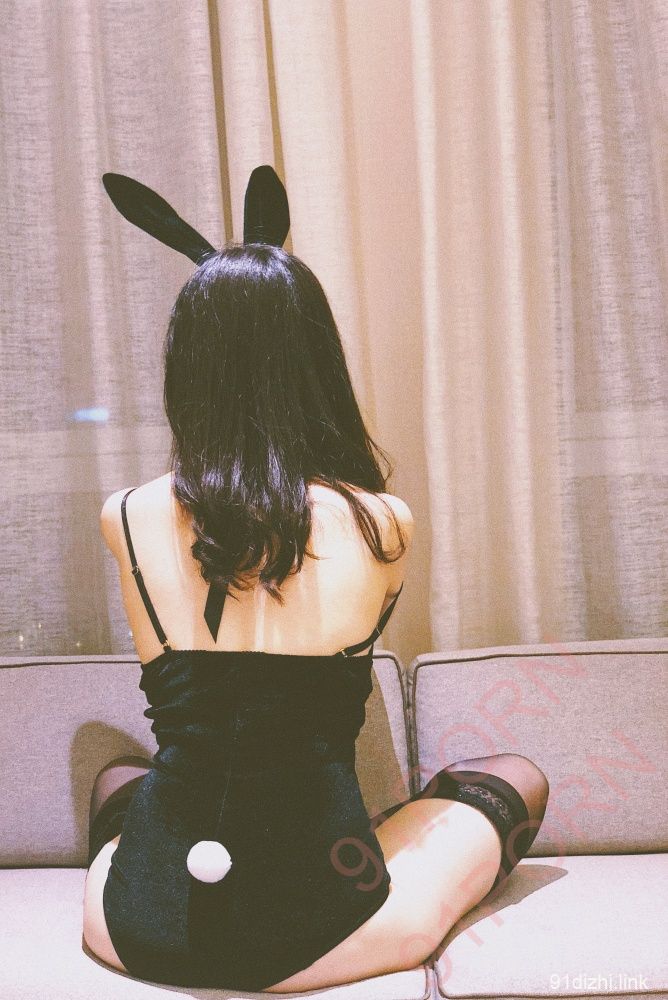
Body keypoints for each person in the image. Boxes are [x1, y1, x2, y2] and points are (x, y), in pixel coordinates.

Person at [83, 189, 549, 991]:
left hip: (141, 926)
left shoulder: (124, 515)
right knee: (517, 775)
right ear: (314, 361)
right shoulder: (383, 522)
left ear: (189, 366)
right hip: (319, 926)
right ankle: (364, 834)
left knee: (120, 777)